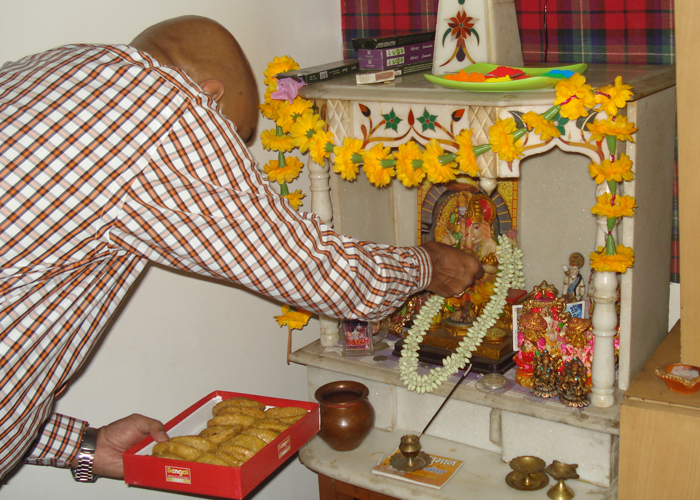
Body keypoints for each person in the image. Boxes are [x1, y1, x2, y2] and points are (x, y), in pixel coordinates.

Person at [0, 16, 483, 482]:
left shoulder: (53, 70)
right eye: (227, 139)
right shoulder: (166, 112)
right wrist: (428, 265)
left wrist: (81, 445)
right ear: (209, 94)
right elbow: (313, 270)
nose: (226, 160)